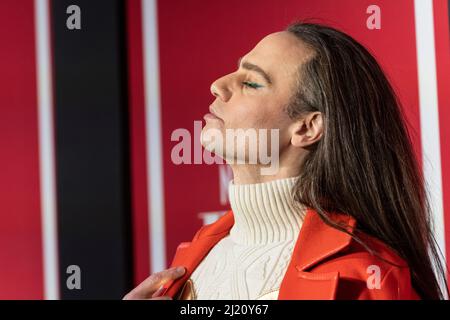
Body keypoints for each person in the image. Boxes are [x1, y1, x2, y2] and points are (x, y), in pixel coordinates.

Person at [124, 22, 448, 300]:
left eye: (251, 83)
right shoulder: (192, 260)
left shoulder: (367, 279)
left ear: (307, 127)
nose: (218, 85)